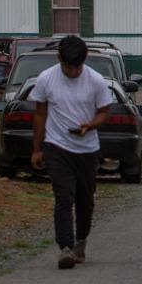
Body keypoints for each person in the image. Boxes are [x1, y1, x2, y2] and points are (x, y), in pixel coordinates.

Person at [29, 35, 114, 269]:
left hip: (87, 150)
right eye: (68, 67)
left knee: (85, 200)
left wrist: (90, 125)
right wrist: (37, 149)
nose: (73, 72)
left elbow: (105, 111)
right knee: (63, 196)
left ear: (84, 62)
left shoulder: (96, 81)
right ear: (59, 60)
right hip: (57, 147)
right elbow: (40, 114)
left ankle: (81, 240)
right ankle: (65, 247)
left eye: (77, 67)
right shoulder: (46, 79)